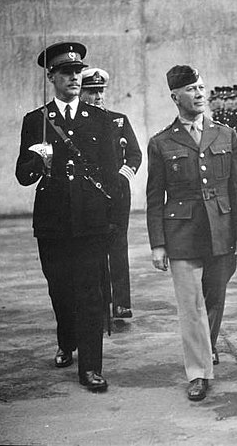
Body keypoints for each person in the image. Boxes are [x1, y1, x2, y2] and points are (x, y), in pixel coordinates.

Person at [15, 42, 119, 392]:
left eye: (78, 72)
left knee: (90, 292)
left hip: (90, 219)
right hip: (53, 220)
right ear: (52, 77)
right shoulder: (37, 121)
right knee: (60, 289)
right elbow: (22, 175)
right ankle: (66, 341)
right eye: (67, 73)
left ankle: (91, 368)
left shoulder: (101, 119)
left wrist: (111, 219)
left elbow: (110, 172)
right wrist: (37, 161)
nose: (75, 78)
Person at [146, 65, 237, 401]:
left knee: (215, 299)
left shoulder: (226, 134)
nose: (199, 93)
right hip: (182, 233)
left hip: (220, 229)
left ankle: (206, 350)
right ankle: (198, 373)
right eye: (191, 89)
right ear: (175, 96)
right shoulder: (161, 142)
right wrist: (158, 244)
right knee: (191, 305)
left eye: (201, 87)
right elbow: (154, 198)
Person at [80, 67, 143, 319]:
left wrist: (121, 178)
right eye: (92, 92)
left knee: (118, 245)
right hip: (90, 194)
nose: (98, 97)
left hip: (117, 193)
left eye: (100, 91)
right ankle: (100, 300)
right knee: (92, 248)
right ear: (81, 93)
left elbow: (135, 155)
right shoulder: (79, 124)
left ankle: (121, 302)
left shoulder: (118, 120)